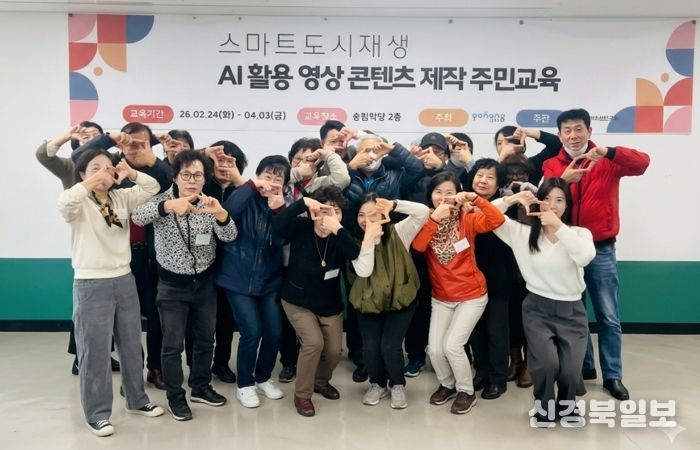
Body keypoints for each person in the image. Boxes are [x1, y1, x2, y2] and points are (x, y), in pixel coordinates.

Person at [542, 108, 650, 400]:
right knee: (576, 315)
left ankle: (613, 375)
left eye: (579, 129)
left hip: (601, 249)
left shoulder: (608, 161)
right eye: (567, 130)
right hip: (567, 248)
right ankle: (585, 366)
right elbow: (547, 199)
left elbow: (642, 163)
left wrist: (609, 152)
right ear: (559, 135)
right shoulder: (552, 165)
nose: (573, 136)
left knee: (608, 316)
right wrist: (565, 179)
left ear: (589, 131)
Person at [58, 148, 163, 436]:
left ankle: (136, 400)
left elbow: (152, 187)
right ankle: (97, 413)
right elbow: (64, 203)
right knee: (95, 352)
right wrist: (91, 183)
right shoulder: (78, 201)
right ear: (82, 173)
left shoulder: (121, 197)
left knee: (131, 345)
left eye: (108, 167)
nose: (105, 172)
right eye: (95, 167)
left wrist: (130, 173)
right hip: (91, 283)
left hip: (124, 278)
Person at [132, 150, 237, 421]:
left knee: (205, 340)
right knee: (172, 345)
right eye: (186, 175)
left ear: (205, 178)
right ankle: (175, 397)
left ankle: (200, 387)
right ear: (175, 177)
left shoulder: (209, 202)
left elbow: (229, 236)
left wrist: (221, 214)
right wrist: (168, 206)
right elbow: (137, 217)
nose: (192, 180)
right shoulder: (162, 201)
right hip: (171, 285)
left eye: (198, 175)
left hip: (205, 283)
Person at [72, 122, 173, 390]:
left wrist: (150, 159)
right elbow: (78, 158)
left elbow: (167, 182)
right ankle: (132, 373)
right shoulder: (111, 168)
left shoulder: (157, 170)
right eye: (130, 142)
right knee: (125, 323)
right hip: (121, 258)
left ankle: (156, 368)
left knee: (156, 315)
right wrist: (109, 138)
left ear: (150, 144)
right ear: (121, 143)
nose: (135, 148)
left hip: (152, 256)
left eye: (142, 143)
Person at [492, 179, 596, 426]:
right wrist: (511, 199)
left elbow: (585, 257)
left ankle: (567, 406)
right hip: (537, 310)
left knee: (570, 369)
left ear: (567, 205)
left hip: (572, 311)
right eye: (547, 198)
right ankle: (544, 407)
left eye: (559, 200)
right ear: (538, 201)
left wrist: (558, 226)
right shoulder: (523, 234)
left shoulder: (579, 234)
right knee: (546, 364)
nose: (552, 205)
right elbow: (488, 216)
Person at [412, 172, 505, 414]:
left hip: (472, 295)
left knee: (452, 346)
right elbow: (419, 247)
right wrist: (435, 219)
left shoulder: (467, 218)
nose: (443, 197)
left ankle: (467, 392)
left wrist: (475, 198)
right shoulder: (425, 220)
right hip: (441, 297)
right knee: (434, 349)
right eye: (438, 192)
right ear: (430, 195)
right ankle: (448, 384)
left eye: (449, 192)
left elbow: (496, 220)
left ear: (458, 195)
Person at [35, 122, 123, 375]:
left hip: (113, 238)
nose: (91, 140)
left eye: (96, 136)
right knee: (86, 309)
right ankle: (80, 357)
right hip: (87, 240)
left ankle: (104, 354)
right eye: (85, 137)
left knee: (111, 309)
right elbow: (43, 155)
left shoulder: (111, 167)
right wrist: (67, 135)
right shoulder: (70, 167)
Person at [272, 186, 361, 416]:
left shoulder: (341, 235)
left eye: (336, 212)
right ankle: (302, 395)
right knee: (313, 343)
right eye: (324, 210)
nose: (329, 217)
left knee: (334, 350)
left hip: (328, 304)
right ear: (314, 212)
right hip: (297, 300)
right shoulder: (301, 228)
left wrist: (338, 228)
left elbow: (354, 253)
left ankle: (321, 381)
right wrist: (302, 204)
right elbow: (278, 224)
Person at [217, 155, 291, 408]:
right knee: (251, 332)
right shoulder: (244, 196)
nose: (271, 182)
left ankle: (262, 377)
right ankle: (245, 383)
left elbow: (283, 238)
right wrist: (250, 186)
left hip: (269, 280)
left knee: (275, 332)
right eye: (267, 176)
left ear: (285, 185)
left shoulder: (284, 206)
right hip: (237, 278)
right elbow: (228, 213)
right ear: (257, 177)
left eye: (278, 178)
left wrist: (279, 209)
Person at [278, 137, 352, 383]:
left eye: (309, 159)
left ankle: (319, 380)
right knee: (305, 338)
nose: (304, 163)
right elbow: (278, 224)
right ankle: (294, 373)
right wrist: (297, 177)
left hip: (323, 285)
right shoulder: (285, 183)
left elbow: (342, 179)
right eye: (298, 158)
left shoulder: (321, 184)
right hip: (285, 263)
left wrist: (325, 153)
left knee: (329, 348)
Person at [349, 194, 429, 409]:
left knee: (390, 346)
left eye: (373, 214)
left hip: (400, 298)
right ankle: (377, 383)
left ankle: (397, 384)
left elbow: (423, 212)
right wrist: (368, 241)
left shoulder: (399, 232)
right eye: (361, 215)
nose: (366, 220)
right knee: (370, 347)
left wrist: (394, 204)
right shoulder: (353, 241)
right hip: (368, 300)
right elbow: (364, 271)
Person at [404, 132, 474, 378]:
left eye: (439, 151)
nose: (431, 155)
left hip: (452, 262)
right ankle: (415, 356)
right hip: (418, 255)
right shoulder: (410, 175)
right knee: (418, 309)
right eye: (427, 150)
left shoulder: (451, 178)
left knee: (455, 312)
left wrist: (442, 167)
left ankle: (456, 356)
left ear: (446, 156)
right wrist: (412, 162)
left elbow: (454, 188)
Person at [203, 140, 248, 384]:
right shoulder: (200, 185)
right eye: (219, 160)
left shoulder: (243, 190)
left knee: (226, 319)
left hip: (232, 264)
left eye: (230, 161)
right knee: (200, 319)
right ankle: (198, 366)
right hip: (201, 263)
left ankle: (220, 363)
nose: (223, 165)